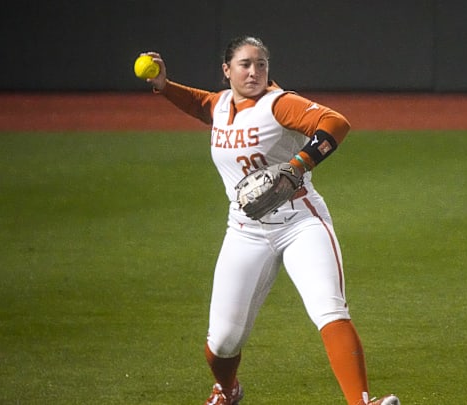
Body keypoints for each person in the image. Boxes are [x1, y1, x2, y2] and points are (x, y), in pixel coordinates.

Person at [139, 35, 400, 405]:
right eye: (245, 64)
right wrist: (164, 86)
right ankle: (228, 390)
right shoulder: (222, 104)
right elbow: (202, 105)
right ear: (226, 70)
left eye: (261, 64)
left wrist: (298, 165)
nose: (254, 72)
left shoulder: (279, 104)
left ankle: (361, 403)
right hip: (245, 231)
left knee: (329, 308)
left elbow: (335, 123)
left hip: (300, 224)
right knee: (222, 342)